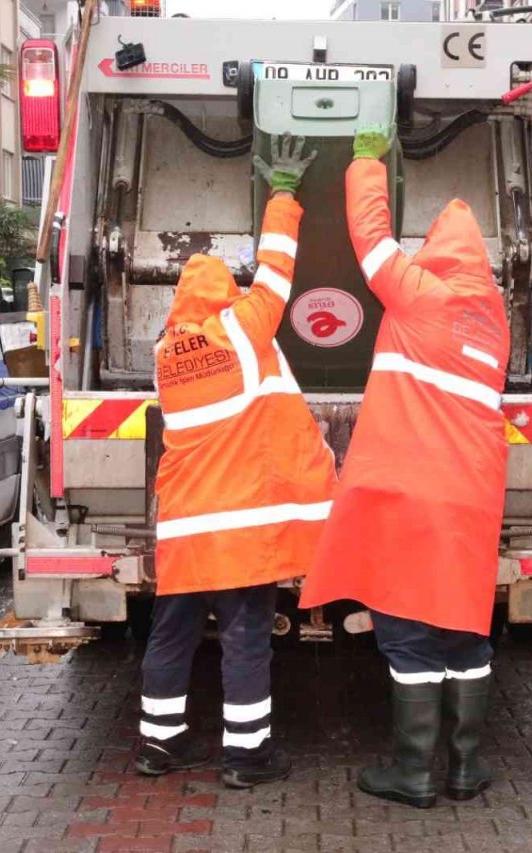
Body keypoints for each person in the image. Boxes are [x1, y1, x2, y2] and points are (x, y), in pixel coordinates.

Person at [299, 125, 510, 808]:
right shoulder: (495, 321)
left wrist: (365, 161)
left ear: (438, 256)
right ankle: (466, 768)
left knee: (408, 628)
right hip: (474, 493)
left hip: (411, 490)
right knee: (465, 625)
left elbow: (371, 240)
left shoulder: (423, 295)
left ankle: (414, 771)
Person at [138, 134, 336, 789]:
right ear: (226, 293)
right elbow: (277, 270)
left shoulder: (165, 354)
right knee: (246, 637)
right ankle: (247, 757)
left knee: (170, 635)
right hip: (239, 530)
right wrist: (283, 192)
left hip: (183, 528)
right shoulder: (242, 330)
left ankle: (159, 745)